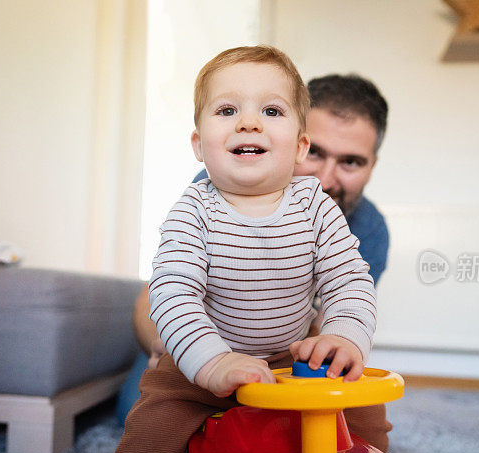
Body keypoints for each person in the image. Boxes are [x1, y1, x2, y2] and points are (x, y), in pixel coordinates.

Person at [103, 46, 384, 453]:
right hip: (198, 369)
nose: (249, 123)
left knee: (365, 408)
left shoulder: (317, 208)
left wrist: (342, 336)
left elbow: (347, 280)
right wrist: (212, 362)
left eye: (270, 111)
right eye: (228, 110)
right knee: (144, 448)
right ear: (198, 143)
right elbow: (172, 293)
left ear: (298, 146)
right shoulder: (193, 209)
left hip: (289, 363)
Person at [115, 72, 390, 424]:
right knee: (142, 417)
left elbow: (345, 298)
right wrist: (191, 352)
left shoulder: (370, 227)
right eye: (317, 154)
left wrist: (341, 341)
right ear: (298, 142)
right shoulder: (221, 188)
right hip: (194, 334)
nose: (325, 178)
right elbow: (164, 292)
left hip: (287, 347)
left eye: (350, 162)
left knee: (358, 422)